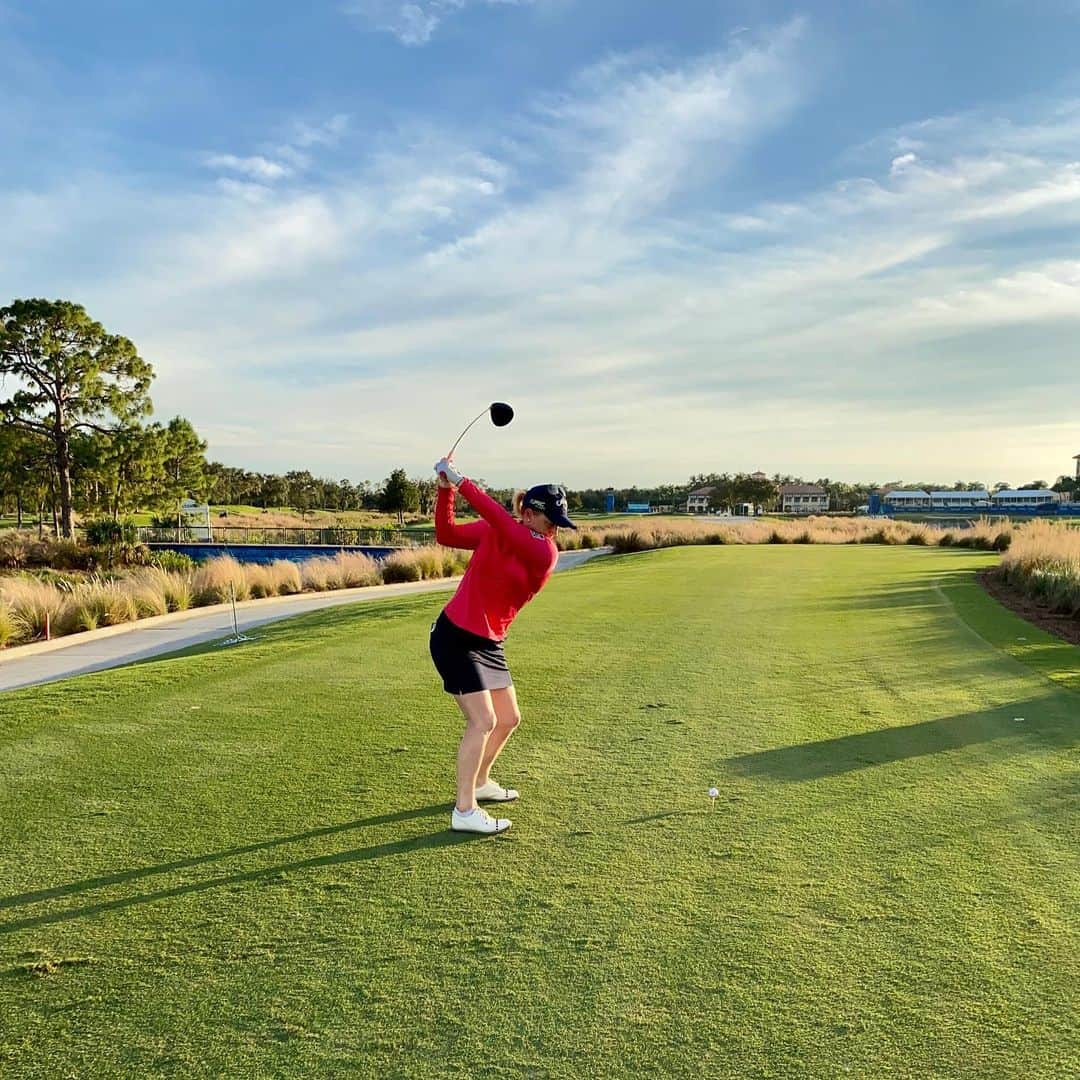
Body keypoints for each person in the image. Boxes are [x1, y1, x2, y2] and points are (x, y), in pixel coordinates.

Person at [430, 455, 576, 834]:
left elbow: (500, 521)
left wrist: (460, 480)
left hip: (490, 642)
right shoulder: (499, 531)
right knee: (483, 720)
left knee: (508, 718)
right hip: (457, 635)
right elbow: (446, 535)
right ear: (528, 514)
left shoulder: (544, 551)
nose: (554, 532)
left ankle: (480, 782)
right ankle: (465, 811)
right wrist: (446, 491)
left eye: (559, 526)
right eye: (550, 522)